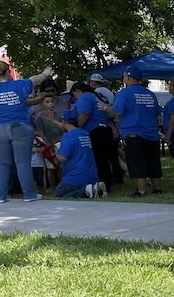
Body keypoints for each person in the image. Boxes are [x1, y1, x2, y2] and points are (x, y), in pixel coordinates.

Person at [0, 60, 52, 203]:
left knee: (1, 163)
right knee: (22, 162)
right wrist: (45, 73)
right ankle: (29, 194)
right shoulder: (19, 85)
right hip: (19, 126)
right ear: (8, 72)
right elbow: (35, 79)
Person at [104, 64, 163, 198]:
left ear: (128, 77)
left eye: (124, 76)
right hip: (151, 133)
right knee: (154, 162)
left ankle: (141, 191)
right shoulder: (150, 94)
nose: (123, 78)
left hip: (133, 132)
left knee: (137, 162)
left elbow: (117, 112)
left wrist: (105, 108)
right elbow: (156, 114)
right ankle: (157, 188)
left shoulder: (124, 93)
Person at [70, 81, 117, 190]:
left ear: (77, 91)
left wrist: (78, 127)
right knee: (104, 159)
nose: (75, 99)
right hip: (105, 129)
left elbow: (85, 114)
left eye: (74, 96)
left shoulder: (85, 97)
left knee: (96, 159)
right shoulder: (95, 97)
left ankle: (100, 183)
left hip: (95, 131)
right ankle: (107, 182)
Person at [49, 118, 106, 199]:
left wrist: (56, 150)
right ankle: (93, 189)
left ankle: (86, 190)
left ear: (64, 122)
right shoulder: (85, 133)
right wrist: (52, 120)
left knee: (59, 195)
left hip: (75, 176)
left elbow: (62, 157)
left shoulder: (68, 136)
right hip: (92, 175)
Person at [88, 72, 123, 185]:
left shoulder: (97, 93)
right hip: (113, 124)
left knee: (105, 154)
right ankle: (118, 176)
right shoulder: (108, 91)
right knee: (113, 153)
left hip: (106, 123)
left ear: (93, 82)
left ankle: (109, 177)